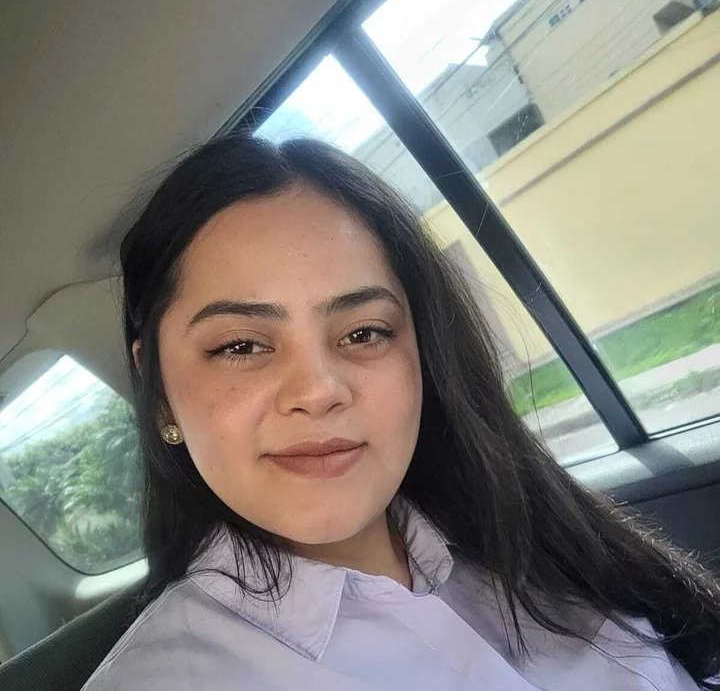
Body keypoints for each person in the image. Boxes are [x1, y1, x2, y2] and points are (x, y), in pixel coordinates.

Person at [83, 134, 720, 690]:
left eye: (364, 333)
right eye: (241, 346)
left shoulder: (530, 532)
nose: (319, 390)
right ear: (158, 390)